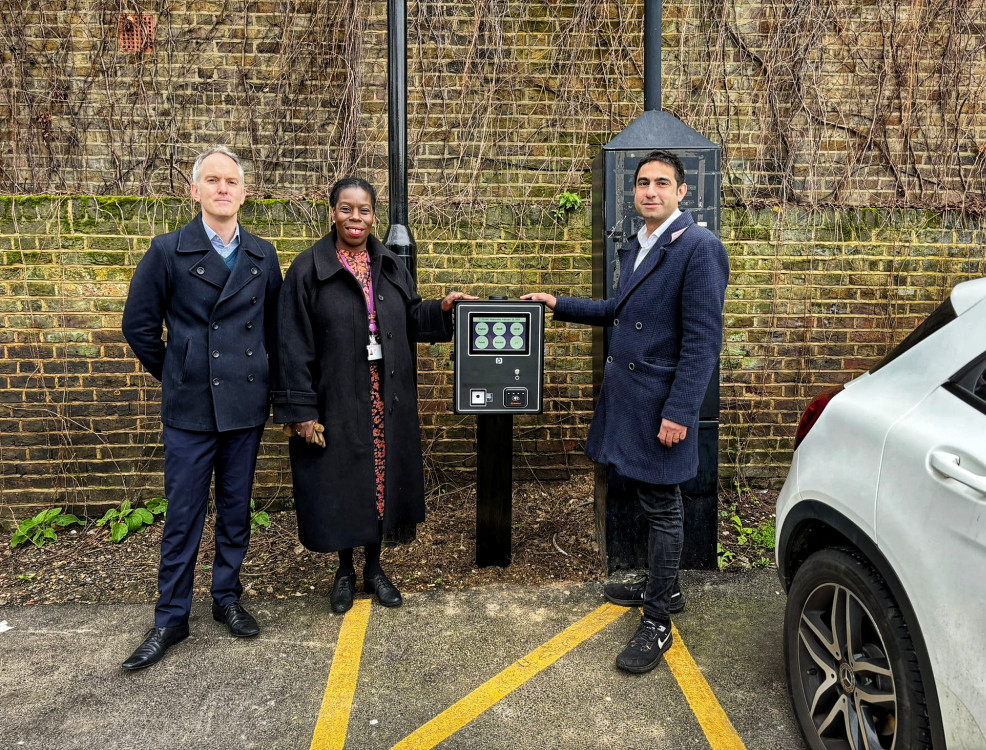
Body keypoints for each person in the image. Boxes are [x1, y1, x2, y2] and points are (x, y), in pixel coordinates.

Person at [522, 149, 729, 674]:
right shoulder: (638, 246)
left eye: (662, 183)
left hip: (661, 405)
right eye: (642, 183)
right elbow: (619, 310)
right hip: (632, 401)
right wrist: (557, 303)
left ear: (683, 192)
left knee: (663, 508)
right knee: (646, 498)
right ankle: (666, 586)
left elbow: (703, 342)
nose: (650, 191)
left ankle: (659, 618)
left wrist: (680, 412)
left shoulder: (699, 248)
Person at [271, 177, 474, 614]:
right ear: (332, 213)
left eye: (364, 211)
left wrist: (440, 309)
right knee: (342, 485)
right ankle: (344, 571)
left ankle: (375, 568)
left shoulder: (389, 264)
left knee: (380, 486)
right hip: (338, 400)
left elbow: (408, 317)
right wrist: (301, 410)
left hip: (386, 398)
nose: (355, 219)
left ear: (374, 216)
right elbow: (291, 344)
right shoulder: (308, 269)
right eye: (346, 209)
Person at [120, 146, 283, 670]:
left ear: (243, 191)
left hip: (245, 403)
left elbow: (276, 332)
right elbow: (139, 327)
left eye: (231, 181)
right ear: (195, 191)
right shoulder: (168, 250)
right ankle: (171, 617)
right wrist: (180, 369)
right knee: (184, 513)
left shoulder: (263, 254)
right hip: (190, 407)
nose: (222, 189)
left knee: (236, 509)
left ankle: (227, 598)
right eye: (211, 180)